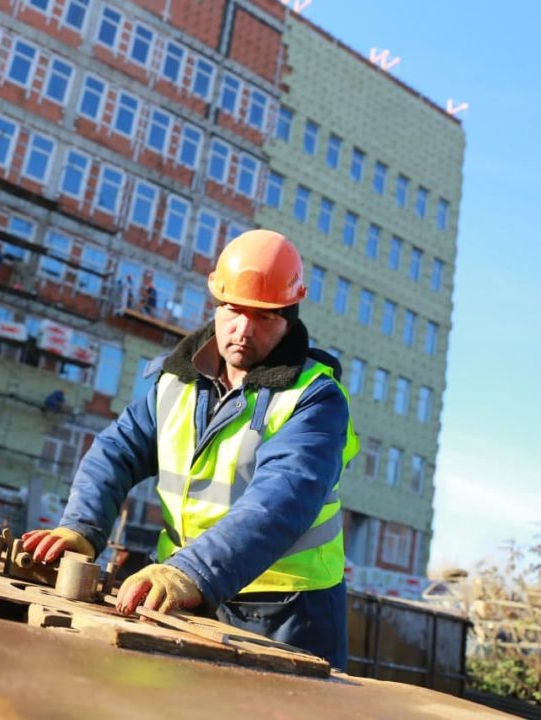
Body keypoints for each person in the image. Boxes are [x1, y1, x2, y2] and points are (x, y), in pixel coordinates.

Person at [22, 229, 358, 668]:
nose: (243, 329)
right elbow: (116, 452)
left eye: (265, 317)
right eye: (235, 311)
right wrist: (82, 528)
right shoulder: (175, 382)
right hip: (186, 590)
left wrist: (191, 571)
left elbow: (282, 500)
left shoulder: (315, 397)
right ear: (217, 305)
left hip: (288, 613)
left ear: (289, 317)